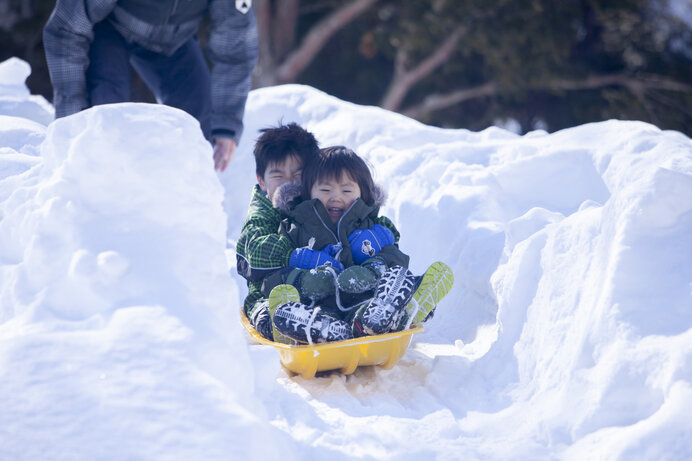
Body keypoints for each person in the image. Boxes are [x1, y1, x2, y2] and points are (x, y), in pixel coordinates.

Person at [266, 146, 454, 344]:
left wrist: (374, 269)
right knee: (306, 314)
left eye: (346, 190)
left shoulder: (371, 226)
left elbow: (395, 256)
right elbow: (276, 270)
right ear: (307, 192)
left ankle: (385, 317)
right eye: (325, 189)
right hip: (316, 307)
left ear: (363, 193)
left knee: (372, 309)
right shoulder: (295, 228)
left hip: (367, 301)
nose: (335, 197)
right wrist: (303, 280)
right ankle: (322, 328)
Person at [42, 0, 258, 172]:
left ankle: (176, 207)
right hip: (111, 28)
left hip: (175, 40)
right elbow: (66, 28)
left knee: (200, 130)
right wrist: (71, 118)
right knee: (103, 119)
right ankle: (96, 196)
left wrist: (226, 124)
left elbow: (235, 46)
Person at [235, 122, 321, 341]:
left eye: (298, 175)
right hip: (268, 294)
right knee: (265, 310)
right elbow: (253, 249)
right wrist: (296, 255)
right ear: (262, 181)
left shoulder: (318, 206)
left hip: (317, 294)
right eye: (278, 176)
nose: (289, 184)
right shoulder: (261, 214)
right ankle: (280, 325)